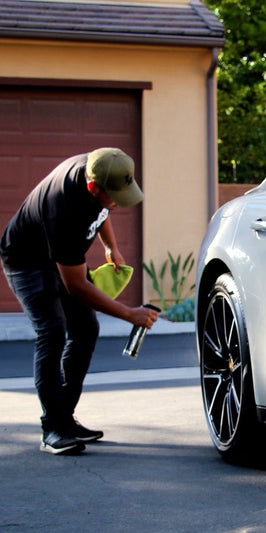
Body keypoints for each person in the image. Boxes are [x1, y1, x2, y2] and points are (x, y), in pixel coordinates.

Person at [0, 147, 159, 455]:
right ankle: (52, 429)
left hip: (60, 253)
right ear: (92, 187)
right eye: (113, 196)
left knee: (86, 329)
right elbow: (75, 286)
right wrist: (130, 314)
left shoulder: (103, 170)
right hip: (27, 260)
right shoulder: (64, 205)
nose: (117, 202)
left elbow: (101, 212)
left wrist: (111, 247)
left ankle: (66, 419)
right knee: (53, 330)